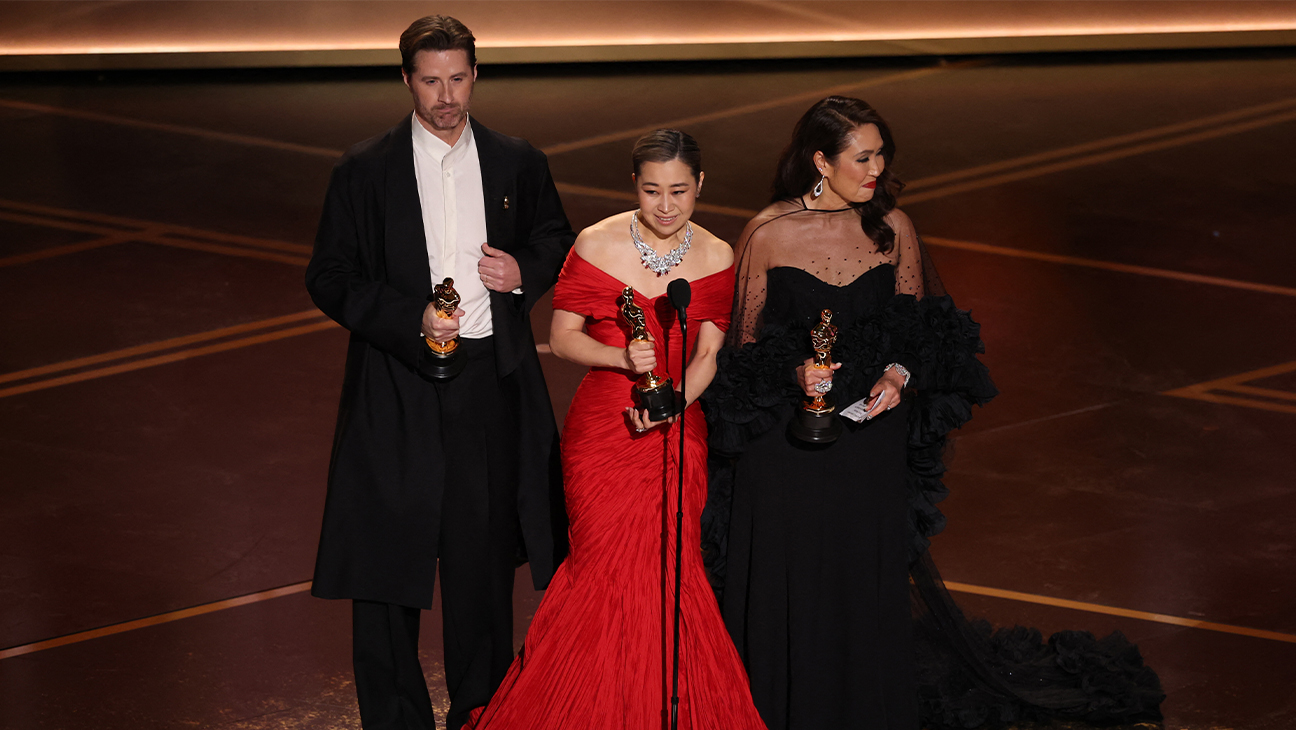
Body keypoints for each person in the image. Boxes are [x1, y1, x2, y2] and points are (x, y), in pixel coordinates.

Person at [702, 97, 1164, 730]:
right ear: (819, 161)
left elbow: (918, 331)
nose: (875, 169)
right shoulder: (767, 233)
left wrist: (899, 375)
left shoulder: (894, 227)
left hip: (867, 434)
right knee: (794, 579)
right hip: (787, 440)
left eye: (881, 155)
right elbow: (743, 346)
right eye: (861, 157)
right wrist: (793, 373)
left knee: (863, 577)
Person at [305, 15, 575, 730]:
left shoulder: (517, 159)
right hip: (397, 384)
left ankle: (481, 713)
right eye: (431, 80)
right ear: (405, 80)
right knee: (386, 566)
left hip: (488, 385)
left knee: (480, 566)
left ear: (475, 76)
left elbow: (555, 236)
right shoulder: (364, 170)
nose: (446, 95)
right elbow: (329, 276)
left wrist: (523, 272)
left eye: (458, 78)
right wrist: (409, 321)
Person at [465, 130, 767, 729]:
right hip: (604, 429)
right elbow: (563, 336)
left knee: (669, 569)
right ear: (635, 186)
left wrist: (676, 403)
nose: (665, 205)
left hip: (678, 425)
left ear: (700, 186)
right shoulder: (595, 243)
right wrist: (621, 360)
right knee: (603, 567)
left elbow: (709, 356)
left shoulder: (718, 256)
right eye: (652, 190)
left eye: (679, 191)